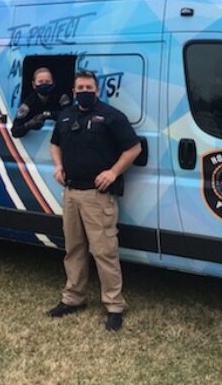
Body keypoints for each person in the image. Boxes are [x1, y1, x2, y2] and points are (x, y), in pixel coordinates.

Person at [46, 70, 142, 332]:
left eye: (89, 87)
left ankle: (114, 305)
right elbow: (55, 144)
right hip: (71, 193)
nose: (84, 91)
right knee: (73, 249)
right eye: (80, 87)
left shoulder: (111, 116)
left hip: (97, 197)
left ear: (97, 91)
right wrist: (58, 166)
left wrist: (112, 172)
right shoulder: (65, 115)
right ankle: (73, 298)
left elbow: (134, 148)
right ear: (74, 91)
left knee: (104, 252)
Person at [10, 67, 70, 138]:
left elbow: (69, 115)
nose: (44, 84)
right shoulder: (28, 103)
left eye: (47, 81)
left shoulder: (60, 97)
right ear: (33, 85)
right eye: (40, 82)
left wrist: (47, 115)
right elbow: (15, 131)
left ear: (53, 83)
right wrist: (28, 125)